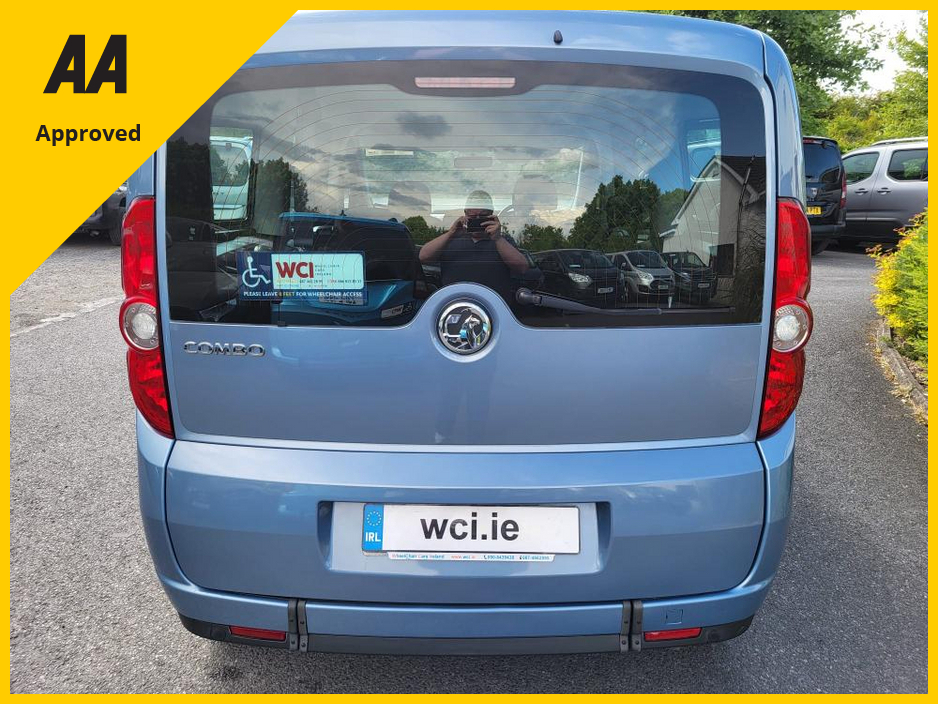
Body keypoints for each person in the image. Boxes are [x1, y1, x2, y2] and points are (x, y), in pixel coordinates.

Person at [418, 190, 529, 298]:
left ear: (491, 215)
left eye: (482, 216)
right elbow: (423, 257)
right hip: (453, 305)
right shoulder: (450, 238)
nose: (477, 220)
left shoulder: (502, 241)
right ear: (465, 214)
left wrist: (497, 239)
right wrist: (451, 233)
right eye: (473, 217)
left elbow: (522, 267)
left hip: (493, 306)